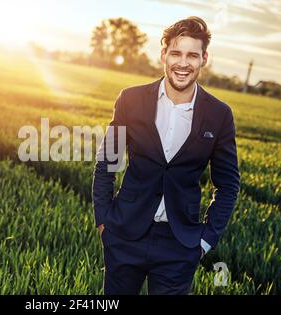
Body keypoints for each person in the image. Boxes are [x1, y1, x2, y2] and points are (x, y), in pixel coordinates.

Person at [92, 16, 240, 295]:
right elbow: (106, 163)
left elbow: (228, 185)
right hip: (124, 236)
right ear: (164, 54)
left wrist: (205, 241)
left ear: (203, 58)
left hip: (180, 245)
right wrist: (104, 221)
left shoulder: (219, 115)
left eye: (192, 55)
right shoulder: (130, 99)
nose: (183, 63)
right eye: (176, 53)